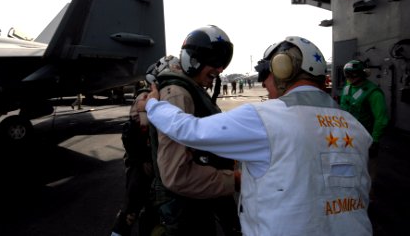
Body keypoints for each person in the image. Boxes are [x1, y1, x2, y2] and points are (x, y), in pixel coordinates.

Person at [140, 36, 373, 236]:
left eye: (266, 73)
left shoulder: (267, 118)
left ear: (284, 69)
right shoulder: (355, 127)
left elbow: (188, 130)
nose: (263, 82)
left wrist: (153, 105)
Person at [148, 25, 241, 236]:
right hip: (185, 208)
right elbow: (177, 175)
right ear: (194, 59)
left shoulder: (192, 87)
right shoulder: (178, 95)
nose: (220, 70)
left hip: (198, 198)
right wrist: (234, 180)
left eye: (223, 63)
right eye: (216, 61)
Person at [111, 56, 181, 236]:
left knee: (153, 210)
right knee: (131, 208)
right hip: (142, 163)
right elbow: (139, 129)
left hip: (155, 162)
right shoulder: (145, 98)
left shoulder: (161, 96)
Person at [340, 60, 389, 157]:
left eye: (353, 75)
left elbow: (381, 119)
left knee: (367, 166)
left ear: (362, 74)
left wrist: (375, 141)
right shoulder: (348, 87)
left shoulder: (374, 93)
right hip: (345, 135)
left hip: (363, 137)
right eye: (347, 75)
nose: (350, 78)